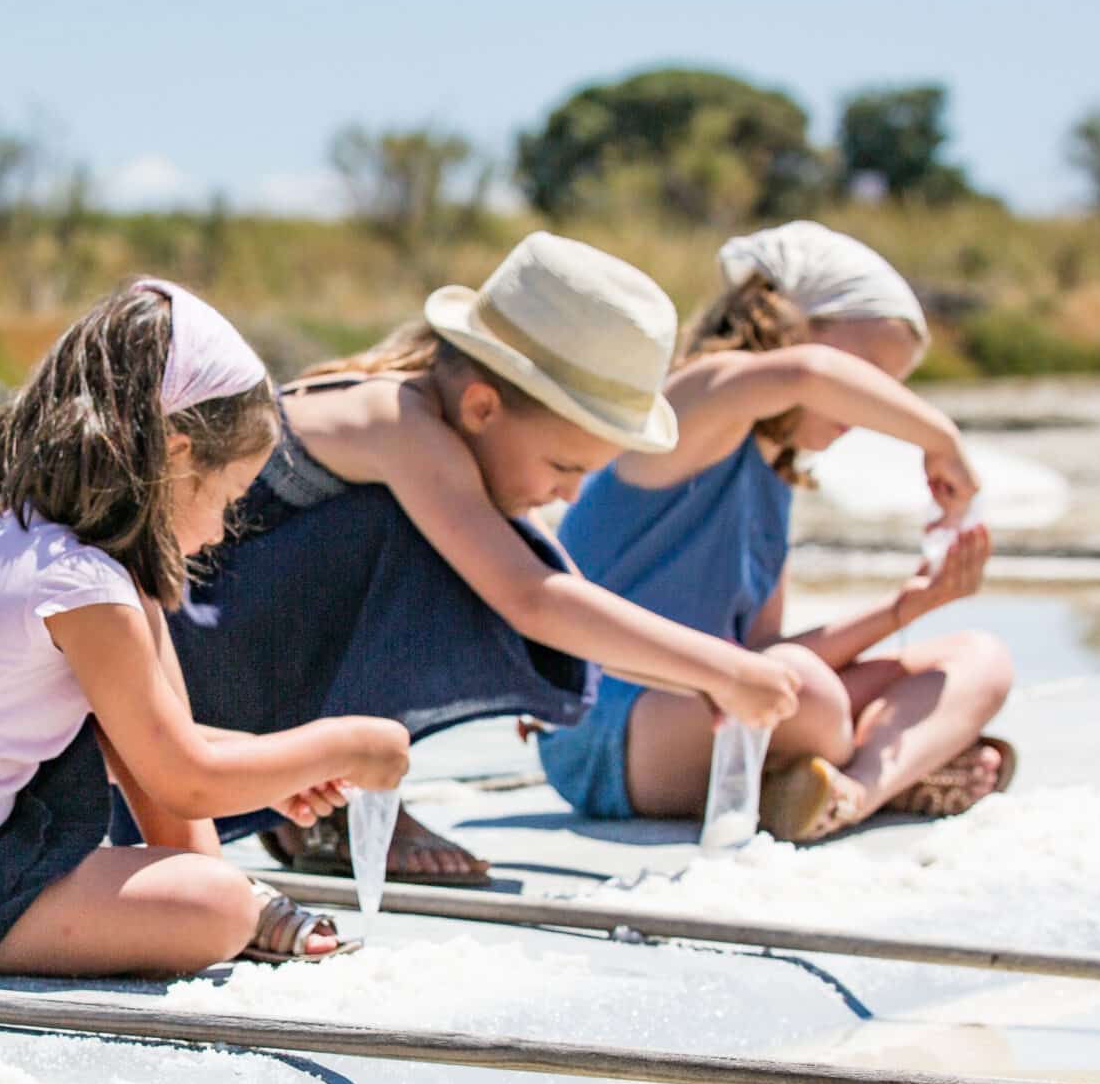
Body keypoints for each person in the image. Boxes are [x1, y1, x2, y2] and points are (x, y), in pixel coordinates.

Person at [0, 278, 411, 980]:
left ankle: (213, 881)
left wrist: (275, 769)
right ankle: (225, 895)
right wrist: (346, 743)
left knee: (142, 602)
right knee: (217, 908)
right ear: (174, 457)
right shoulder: (83, 587)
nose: (220, 529)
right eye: (228, 498)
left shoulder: (15, 535)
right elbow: (183, 779)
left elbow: (147, 738)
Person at [136, 233, 799, 885]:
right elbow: (533, 599)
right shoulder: (398, 422)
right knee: (435, 546)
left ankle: (318, 793)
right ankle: (334, 800)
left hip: (233, 656)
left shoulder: (448, 438)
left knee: (501, 552)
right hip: (181, 668)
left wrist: (703, 682)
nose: (570, 493)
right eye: (564, 467)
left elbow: (555, 591)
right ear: (482, 405)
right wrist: (727, 667)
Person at [538, 221, 1015, 843]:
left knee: (979, 658)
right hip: (612, 737)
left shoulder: (774, 482)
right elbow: (806, 375)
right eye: (867, 375)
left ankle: (853, 791)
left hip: (723, 710)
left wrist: (910, 606)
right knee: (808, 692)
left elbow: (764, 652)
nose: (873, 406)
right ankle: (894, 764)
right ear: (789, 326)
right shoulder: (691, 406)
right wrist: (939, 438)